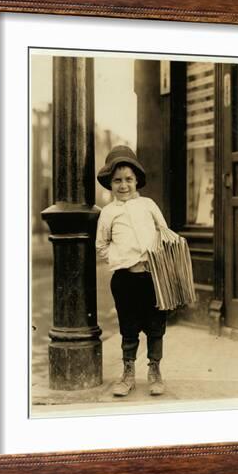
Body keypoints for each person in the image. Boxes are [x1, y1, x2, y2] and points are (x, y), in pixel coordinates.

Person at [96, 145, 168, 397]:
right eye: (117, 180)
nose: (123, 185)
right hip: (124, 280)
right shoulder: (107, 213)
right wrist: (118, 259)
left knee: (155, 325)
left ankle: (155, 371)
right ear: (110, 183)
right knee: (129, 326)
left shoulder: (148, 205)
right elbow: (101, 244)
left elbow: (164, 232)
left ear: (137, 179)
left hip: (153, 277)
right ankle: (128, 374)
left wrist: (157, 258)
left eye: (128, 179)